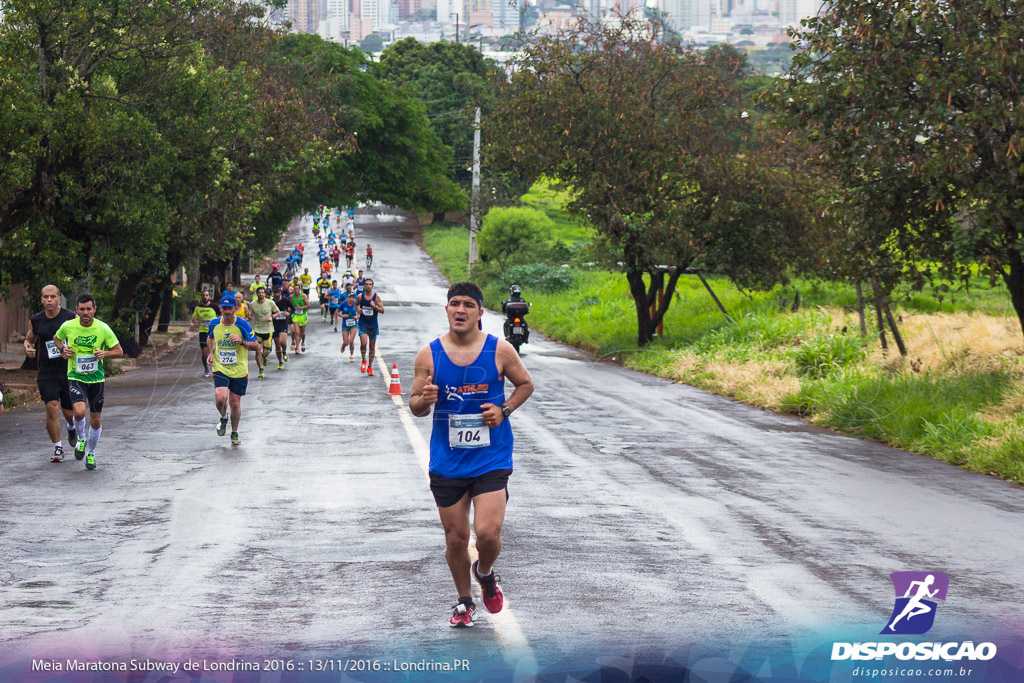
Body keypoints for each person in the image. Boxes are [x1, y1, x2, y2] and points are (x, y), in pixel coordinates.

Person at [409, 281, 534, 628]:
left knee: (489, 534)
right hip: (448, 461)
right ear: (446, 310)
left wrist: (504, 410)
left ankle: (485, 572)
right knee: (456, 538)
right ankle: (464, 601)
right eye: (454, 304)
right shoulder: (428, 355)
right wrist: (425, 399)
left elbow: (526, 384)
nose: (460, 310)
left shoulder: (500, 350)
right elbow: (415, 405)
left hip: (491, 457)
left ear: (480, 313)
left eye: (468, 304)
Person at [53, 293, 124, 471]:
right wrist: (63, 350)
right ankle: (81, 440)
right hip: (76, 376)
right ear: (77, 309)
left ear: (94, 310)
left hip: (96, 379)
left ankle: (91, 453)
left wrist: (104, 354)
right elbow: (56, 338)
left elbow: (119, 351)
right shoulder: (68, 326)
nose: (85, 312)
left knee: (95, 421)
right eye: (82, 309)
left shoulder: (103, 328)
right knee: (78, 412)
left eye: (89, 309)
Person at [24, 285, 78, 462]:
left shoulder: (70, 317)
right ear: (41, 299)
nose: (49, 300)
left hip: (69, 370)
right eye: (45, 297)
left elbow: (82, 335)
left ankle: (71, 427)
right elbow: (29, 340)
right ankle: (57, 448)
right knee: (51, 406)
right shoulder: (37, 320)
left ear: (59, 299)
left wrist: (72, 350)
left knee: (70, 412)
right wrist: (28, 348)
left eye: (52, 297)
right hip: (47, 371)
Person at [208, 294, 260, 446]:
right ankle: (224, 417)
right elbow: (210, 338)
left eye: (230, 308)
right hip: (221, 367)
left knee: (235, 403)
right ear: (220, 309)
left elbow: (256, 345)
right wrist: (211, 353)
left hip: (239, 369)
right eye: (224, 308)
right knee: (220, 397)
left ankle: (234, 431)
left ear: (236, 308)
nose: (227, 311)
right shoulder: (214, 323)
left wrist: (242, 341)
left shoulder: (243, 325)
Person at [246, 286, 279, 379]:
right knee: (257, 350)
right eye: (259, 292)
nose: (261, 294)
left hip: (268, 330)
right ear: (257, 294)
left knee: (266, 352)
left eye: (262, 292)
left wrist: (271, 317)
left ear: (265, 294)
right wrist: (248, 316)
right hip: (257, 330)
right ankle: (261, 370)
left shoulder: (270, 303)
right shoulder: (253, 304)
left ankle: (265, 357)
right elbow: (251, 315)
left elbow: (278, 312)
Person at [357, 278, 384, 376]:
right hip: (363, 323)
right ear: (364, 286)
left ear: (372, 286)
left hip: (373, 325)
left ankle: (370, 367)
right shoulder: (360, 296)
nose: (368, 286)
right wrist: (358, 310)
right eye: (366, 284)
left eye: (370, 284)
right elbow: (356, 305)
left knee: (372, 347)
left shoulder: (376, 298)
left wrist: (375, 307)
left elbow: (382, 310)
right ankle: (364, 360)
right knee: (364, 343)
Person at [191, 290, 219, 377]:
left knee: (214, 350)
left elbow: (221, 315)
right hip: (203, 332)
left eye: (207, 295)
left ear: (209, 297)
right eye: (204, 295)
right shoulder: (198, 308)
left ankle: (216, 368)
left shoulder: (214, 306)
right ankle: (206, 369)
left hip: (213, 332)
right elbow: (194, 318)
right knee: (204, 351)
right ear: (201, 297)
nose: (205, 297)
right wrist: (195, 320)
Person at [271, 289, 292, 369]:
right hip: (274, 325)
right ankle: (280, 361)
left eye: (278, 292)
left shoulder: (285, 301)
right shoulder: (271, 302)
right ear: (273, 293)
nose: (276, 294)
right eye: (275, 292)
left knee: (282, 341)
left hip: (283, 324)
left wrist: (289, 313)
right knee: (277, 345)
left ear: (280, 293)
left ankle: (284, 351)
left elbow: (293, 309)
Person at [338, 292, 359, 362]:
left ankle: (351, 355)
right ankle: (343, 346)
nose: (351, 299)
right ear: (347, 297)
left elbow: (360, 312)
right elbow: (336, 312)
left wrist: (357, 316)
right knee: (346, 342)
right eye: (350, 297)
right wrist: (342, 316)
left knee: (351, 340)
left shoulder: (355, 304)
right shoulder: (343, 304)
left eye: (353, 297)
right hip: (345, 325)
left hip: (354, 324)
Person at [290, 287, 310, 354]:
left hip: (303, 315)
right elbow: (291, 305)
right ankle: (297, 347)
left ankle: (303, 342)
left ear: (299, 290)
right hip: (296, 316)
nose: (296, 290)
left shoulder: (303, 296)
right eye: (295, 289)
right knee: (297, 332)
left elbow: (308, 305)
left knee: (302, 333)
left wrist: (300, 308)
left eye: (297, 289)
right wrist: (290, 309)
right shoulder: (291, 297)